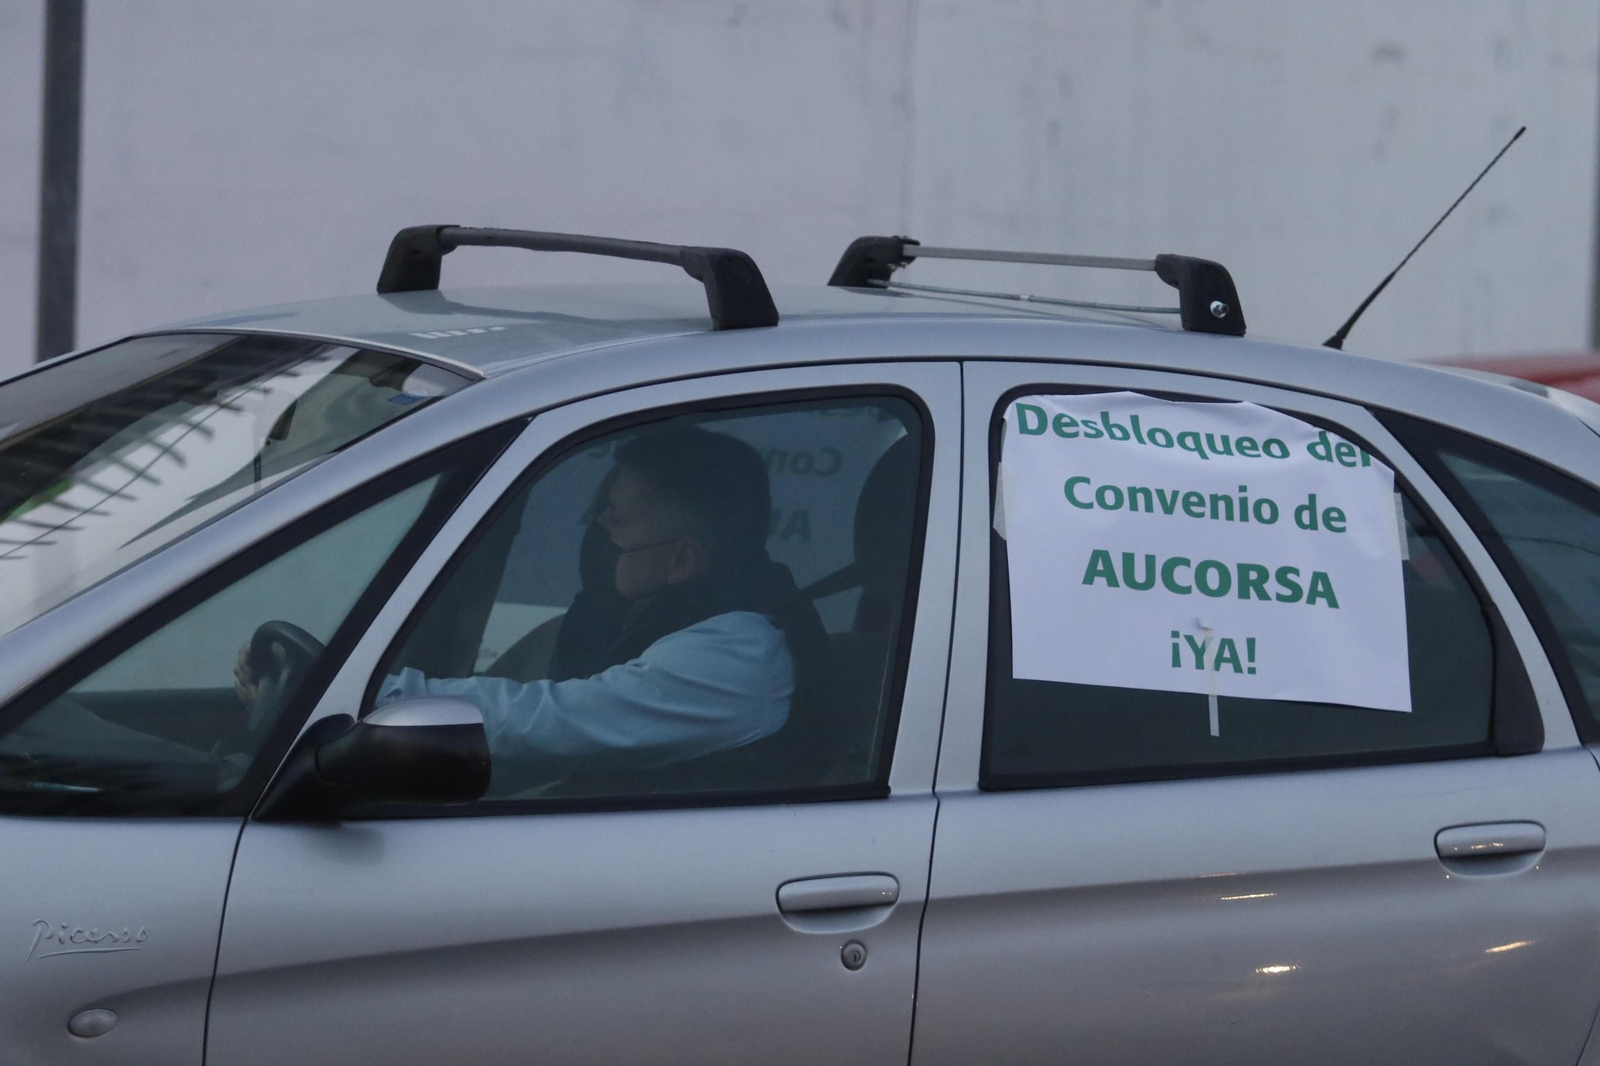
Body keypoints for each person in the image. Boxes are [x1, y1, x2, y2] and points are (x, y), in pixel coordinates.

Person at [236, 425, 827, 788]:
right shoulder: (639, 621)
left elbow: (549, 721)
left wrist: (361, 698)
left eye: (615, 520)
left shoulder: (739, 656)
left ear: (680, 563)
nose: (596, 532)